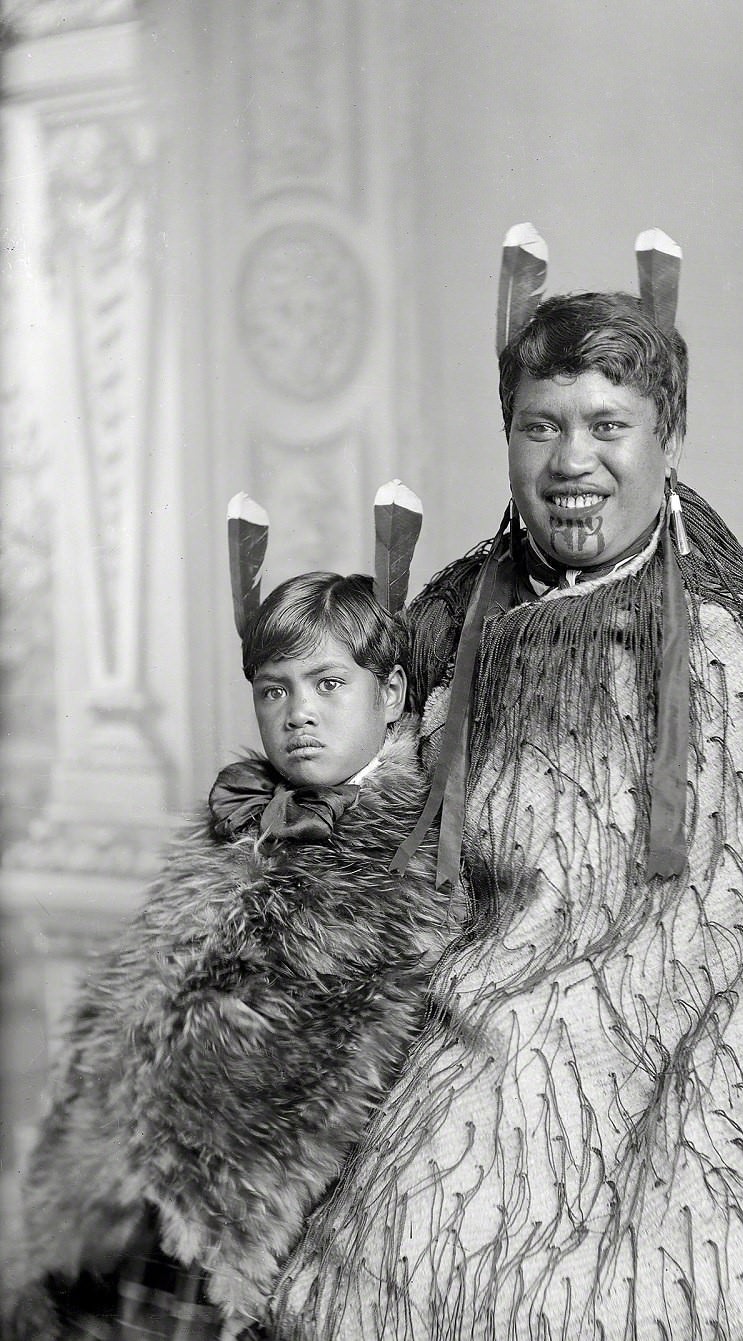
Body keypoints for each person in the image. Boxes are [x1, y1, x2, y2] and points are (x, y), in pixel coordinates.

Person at [267, 246, 743, 1339]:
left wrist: (542, 1038)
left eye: (606, 426)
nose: (571, 460)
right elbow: (364, 815)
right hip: (460, 1017)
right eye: (541, 426)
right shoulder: (453, 618)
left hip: (711, 1058)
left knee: (493, 1256)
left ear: (663, 443)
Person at [4, 564, 456, 1340]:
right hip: (130, 1181)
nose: (298, 715)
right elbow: (141, 989)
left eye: (327, 684)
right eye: (274, 690)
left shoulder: (406, 848)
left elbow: (330, 1056)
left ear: (389, 693)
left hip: (249, 1208)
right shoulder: (243, 816)